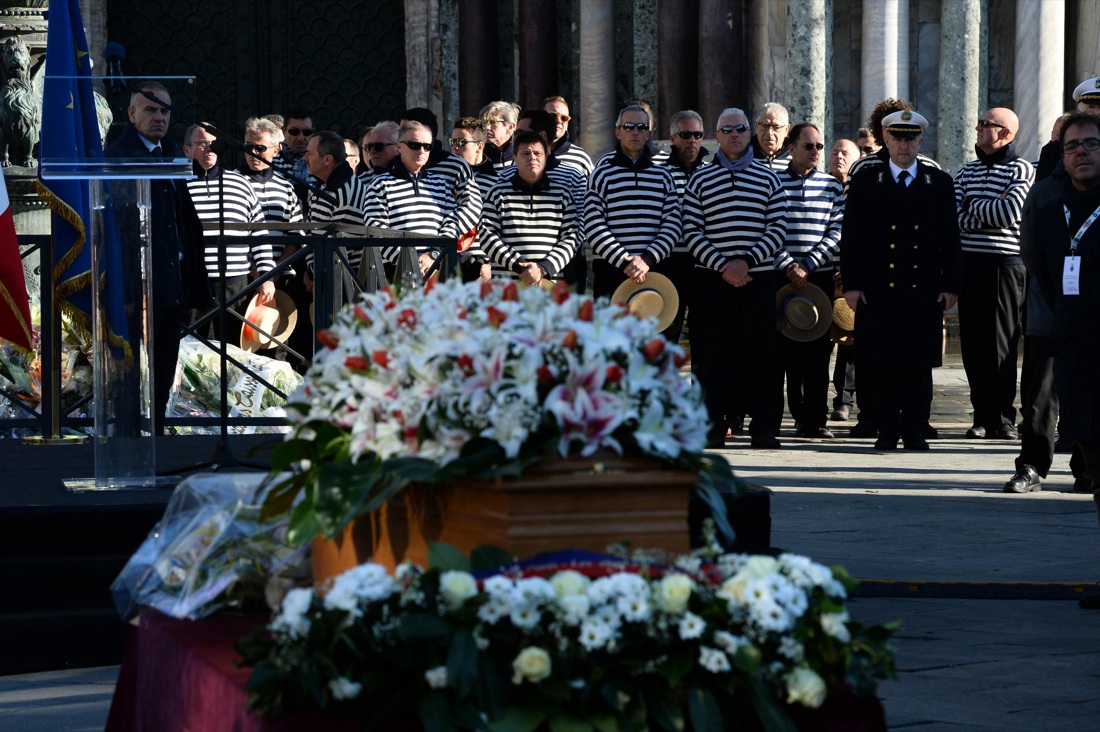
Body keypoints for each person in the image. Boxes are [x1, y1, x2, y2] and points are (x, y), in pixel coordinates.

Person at [841, 110, 962, 451]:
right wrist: (852, 284)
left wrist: (951, 284)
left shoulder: (937, 182)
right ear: (887, 141)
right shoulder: (867, 180)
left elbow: (950, 238)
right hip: (879, 288)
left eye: (910, 138)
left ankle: (915, 427)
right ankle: (886, 428)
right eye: (897, 137)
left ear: (921, 141)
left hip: (922, 288)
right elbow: (851, 236)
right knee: (881, 363)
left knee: (918, 364)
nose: (904, 144)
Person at [104, 81, 209, 433]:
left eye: (165, 110)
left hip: (169, 280)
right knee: (130, 369)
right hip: (134, 284)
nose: (159, 117)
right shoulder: (118, 157)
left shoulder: (172, 156)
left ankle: (158, 433)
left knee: (164, 367)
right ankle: (129, 435)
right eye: (151, 109)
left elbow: (184, 219)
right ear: (131, 114)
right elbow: (113, 226)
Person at [683, 107, 787, 449]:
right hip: (713, 282)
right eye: (726, 129)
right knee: (712, 356)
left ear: (749, 133)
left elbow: (778, 228)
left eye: (740, 129)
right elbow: (691, 230)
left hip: (757, 278)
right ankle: (712, 427)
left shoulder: (768, 177)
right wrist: (723, 266)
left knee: (761, 355)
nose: (734, 135)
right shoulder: (699, 178)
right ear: (717, 135)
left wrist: (746, 262)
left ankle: (764, 428)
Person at [1020, 113, 1100, 509]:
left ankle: (1083, 467)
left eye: (1091, 142)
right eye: (1072, 146)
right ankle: (1035, 462)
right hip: (1063, 328)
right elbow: (1039, 262)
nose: (1081, 151)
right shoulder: (1050, 200)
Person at [953, 108, 1034, 440]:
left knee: (1001, 344)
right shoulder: (966, 171)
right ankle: (982, 416)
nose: (979, 127)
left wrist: (973, 206)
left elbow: (1008, 212)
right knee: (972, 344)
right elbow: (954, 216)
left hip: (1005, 266)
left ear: (1006, 134)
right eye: (980, 123)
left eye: (987, 124)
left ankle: (1003, 416)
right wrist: (981, 208)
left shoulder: (1022, 169)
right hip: (970, 264)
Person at [774, 122, 845, 439]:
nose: (816, 151)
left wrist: (809, 264)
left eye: (819, 146)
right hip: (781, 275)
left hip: (818, 275)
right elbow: (769, 229)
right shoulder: (773, 183)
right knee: (783, 350)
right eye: (809, 146)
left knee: (818, 351)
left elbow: (837, 231)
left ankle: (815, 419)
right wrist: (789, 265)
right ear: (791, 149)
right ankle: (785, 415)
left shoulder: (833, 186)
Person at [183, 123, 271, 341]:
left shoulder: (241, 183)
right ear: (187, 150)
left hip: (235, 286)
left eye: (214, 143)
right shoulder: (178, 184)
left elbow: (259, 232)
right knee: (191, 351)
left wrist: (266, 276)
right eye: (202, 143)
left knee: (234, 350)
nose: (209, 148)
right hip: (193, 285)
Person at [583, 104, 681, 299]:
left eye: (641, 127)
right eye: (628, 126)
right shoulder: (601, 174)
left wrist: (646, 260)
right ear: (618, 132)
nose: (635, 132)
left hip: (653, 270)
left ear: (648, 133)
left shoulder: (663, 176)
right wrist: (624, 261)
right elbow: (593, 224)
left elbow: (673, 224)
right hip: (612, 271)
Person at [365, 121, 481, 278]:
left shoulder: (440, 183)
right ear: (399, 147)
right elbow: (376, 232)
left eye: (427, 146)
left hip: (436, 270)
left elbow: (451, 225)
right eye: (414, 145)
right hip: (396, 274)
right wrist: (410, 265)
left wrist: (432, 256)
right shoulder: (380, 184)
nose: (421, 151)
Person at [238, 116, 308, 369]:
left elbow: (296, 236)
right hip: (244, 277)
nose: (253, 153)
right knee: (240, 347)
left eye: (260, 148)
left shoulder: (288, 188)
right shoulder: (233, 182)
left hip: (282, 279)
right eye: (248, 146)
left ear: (276, 150)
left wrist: (273, 273)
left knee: (277, 346)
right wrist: (256, 271)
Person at [479, 130, 579, 284]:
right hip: (507, 285)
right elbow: (487, 236)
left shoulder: (563, 194)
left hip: (549, 284)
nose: (532, 157)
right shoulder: (497, 192)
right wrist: (520, 266)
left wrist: (543, 268)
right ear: (515, 158)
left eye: (538, 153)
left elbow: (571, 238)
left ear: (546, 157)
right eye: (525, 153)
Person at [657, 109, 711, 344]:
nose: (692, 140)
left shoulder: (712, 173)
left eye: (697, 134)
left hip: (705, 264)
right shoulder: (658, 173)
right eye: (686, 134)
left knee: (705, 333)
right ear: (672, 138)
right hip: (670, 263)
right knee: (667, 332)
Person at [827, 138, 860, 421]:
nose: (838, 156)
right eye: (834, 152)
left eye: (845, 153)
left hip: (850, 278)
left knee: (848, 339)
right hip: (821, 274)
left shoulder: (860, 188)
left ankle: (844, 399)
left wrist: (849, 268)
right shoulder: (823, 186)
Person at [1037, 78, 1100, 181]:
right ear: (1079, 111)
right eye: (1091, 107)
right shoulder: (1054, 150)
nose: (1097, 112)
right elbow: (1044, 191)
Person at [543, 95, 594, 176]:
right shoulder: (526, 154)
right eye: (553, 116)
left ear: (567, 124)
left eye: (564, 118)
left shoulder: (581, 158)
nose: (558, 121)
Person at [271, 106, 314, 183]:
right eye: (294, 131)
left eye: (307, 132)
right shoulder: (270, 161)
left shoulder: (323, 162)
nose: (300, 138)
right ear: (284, 131)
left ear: (313, 132)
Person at [752, 102, 792, 172]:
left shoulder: (796, 159)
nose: (769, 133)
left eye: (776, 127)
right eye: (764, 126)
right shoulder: (744, 157)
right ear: (756, 126)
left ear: (786, 129)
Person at [480, 100, 520, 168]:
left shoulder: (522, 151)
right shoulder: (478, 154)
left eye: (493, 122)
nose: (487, 127)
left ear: (511, 126)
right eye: (483, 123)